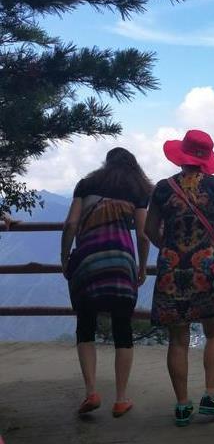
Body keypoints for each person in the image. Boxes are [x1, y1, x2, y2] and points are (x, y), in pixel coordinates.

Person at [145, 129, 214, 426]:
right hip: (207, 268)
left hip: (172, 269)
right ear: (206, 158)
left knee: (178, 338)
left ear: (182, 155)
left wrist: (168, 249)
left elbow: (149, 229)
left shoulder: (162, 189)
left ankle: (183, 405)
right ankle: (211, 396)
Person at [61, 147, 151, 417]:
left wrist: (64, 257)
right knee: (122, 329)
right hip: (122, 264)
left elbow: (71, 224)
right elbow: (144, 235)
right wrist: (142, 266)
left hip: (87, 263)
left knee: (85, 327)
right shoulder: (137, 191)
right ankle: (121, 398)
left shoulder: (86, 185)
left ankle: (91, 392)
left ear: (106, 163)